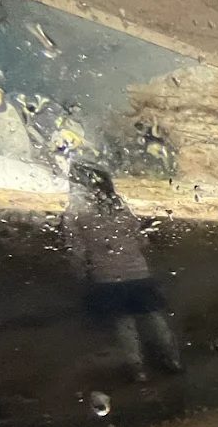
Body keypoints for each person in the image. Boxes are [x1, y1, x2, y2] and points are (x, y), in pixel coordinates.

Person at [63, 163, 181, 382]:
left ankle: (138, 369)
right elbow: (140, 238)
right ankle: (172, 359)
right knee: (154, 317)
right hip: (138, 272)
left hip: (107, 276)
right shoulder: (120, 206)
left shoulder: (76, 210)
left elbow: (77, 250)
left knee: (124, 323)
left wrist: (79, 274)